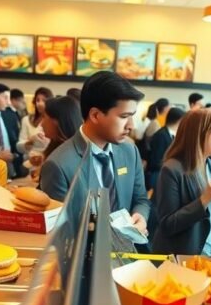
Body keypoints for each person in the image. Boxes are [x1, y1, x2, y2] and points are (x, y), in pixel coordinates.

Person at [40, 72, 151, 236]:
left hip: (129, 252)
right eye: (124, 117)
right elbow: (61, 233)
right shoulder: (58, 165)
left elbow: (141, 199)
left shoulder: (130, 151)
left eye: (132, 117)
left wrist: (140, 216)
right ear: (95, 115)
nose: (131, 125)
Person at [151, 109, 211, 256]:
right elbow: (167, 224)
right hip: (186, 256)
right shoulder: (172, 169)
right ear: (200, 135)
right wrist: (203, 200)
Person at [146, 108, 184, 191]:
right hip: (158, 175)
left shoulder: (172, 134)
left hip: (165, 173)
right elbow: (156, 160)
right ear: (179, 120)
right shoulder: (161, 135)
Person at [0, 83, 24, 178]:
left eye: (8, 98)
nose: (8, 102)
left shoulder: (1, 116)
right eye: (4, 98)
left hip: (6, 164)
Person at [18, 87, 54, 157]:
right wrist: (30, 141)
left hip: (46, 160)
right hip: (28, 161)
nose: (40, 103)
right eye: (37, 100)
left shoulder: (53, 121)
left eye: (44, 100)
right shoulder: (26, 120)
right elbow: (19, 147)